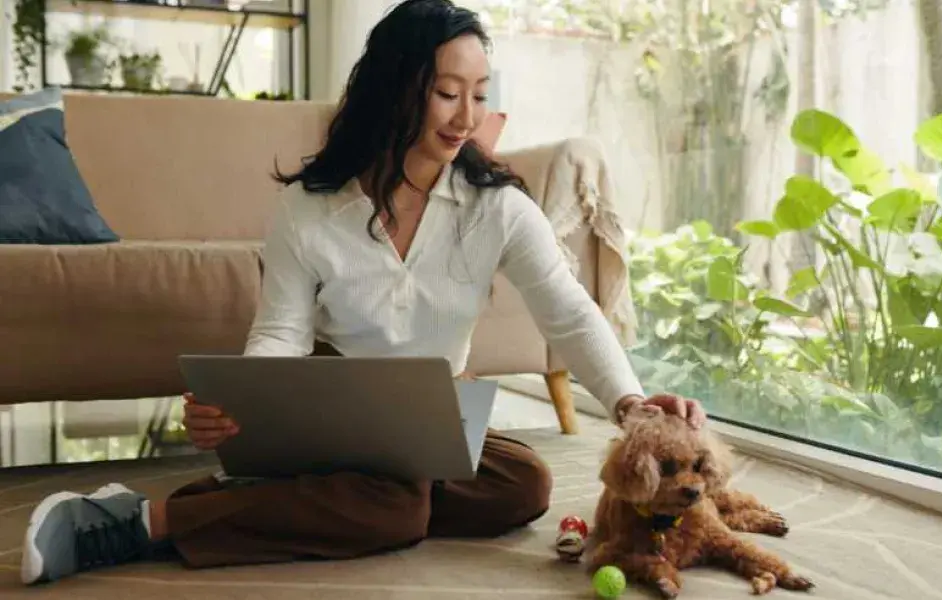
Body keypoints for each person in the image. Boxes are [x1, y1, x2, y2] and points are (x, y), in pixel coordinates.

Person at [19, 0, 705, 586]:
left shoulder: (497, 207)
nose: (467, 115)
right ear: (397, 88)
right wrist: (248, 405)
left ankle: (320, 496)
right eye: (447, 91)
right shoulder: (310, 209)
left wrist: (631, 404)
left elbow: (569, 310)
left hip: (432, 413)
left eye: (480, 92)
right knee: (397, 509)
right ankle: (139, 520)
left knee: (523, 485)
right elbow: (281, 332)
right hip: (334, 403)